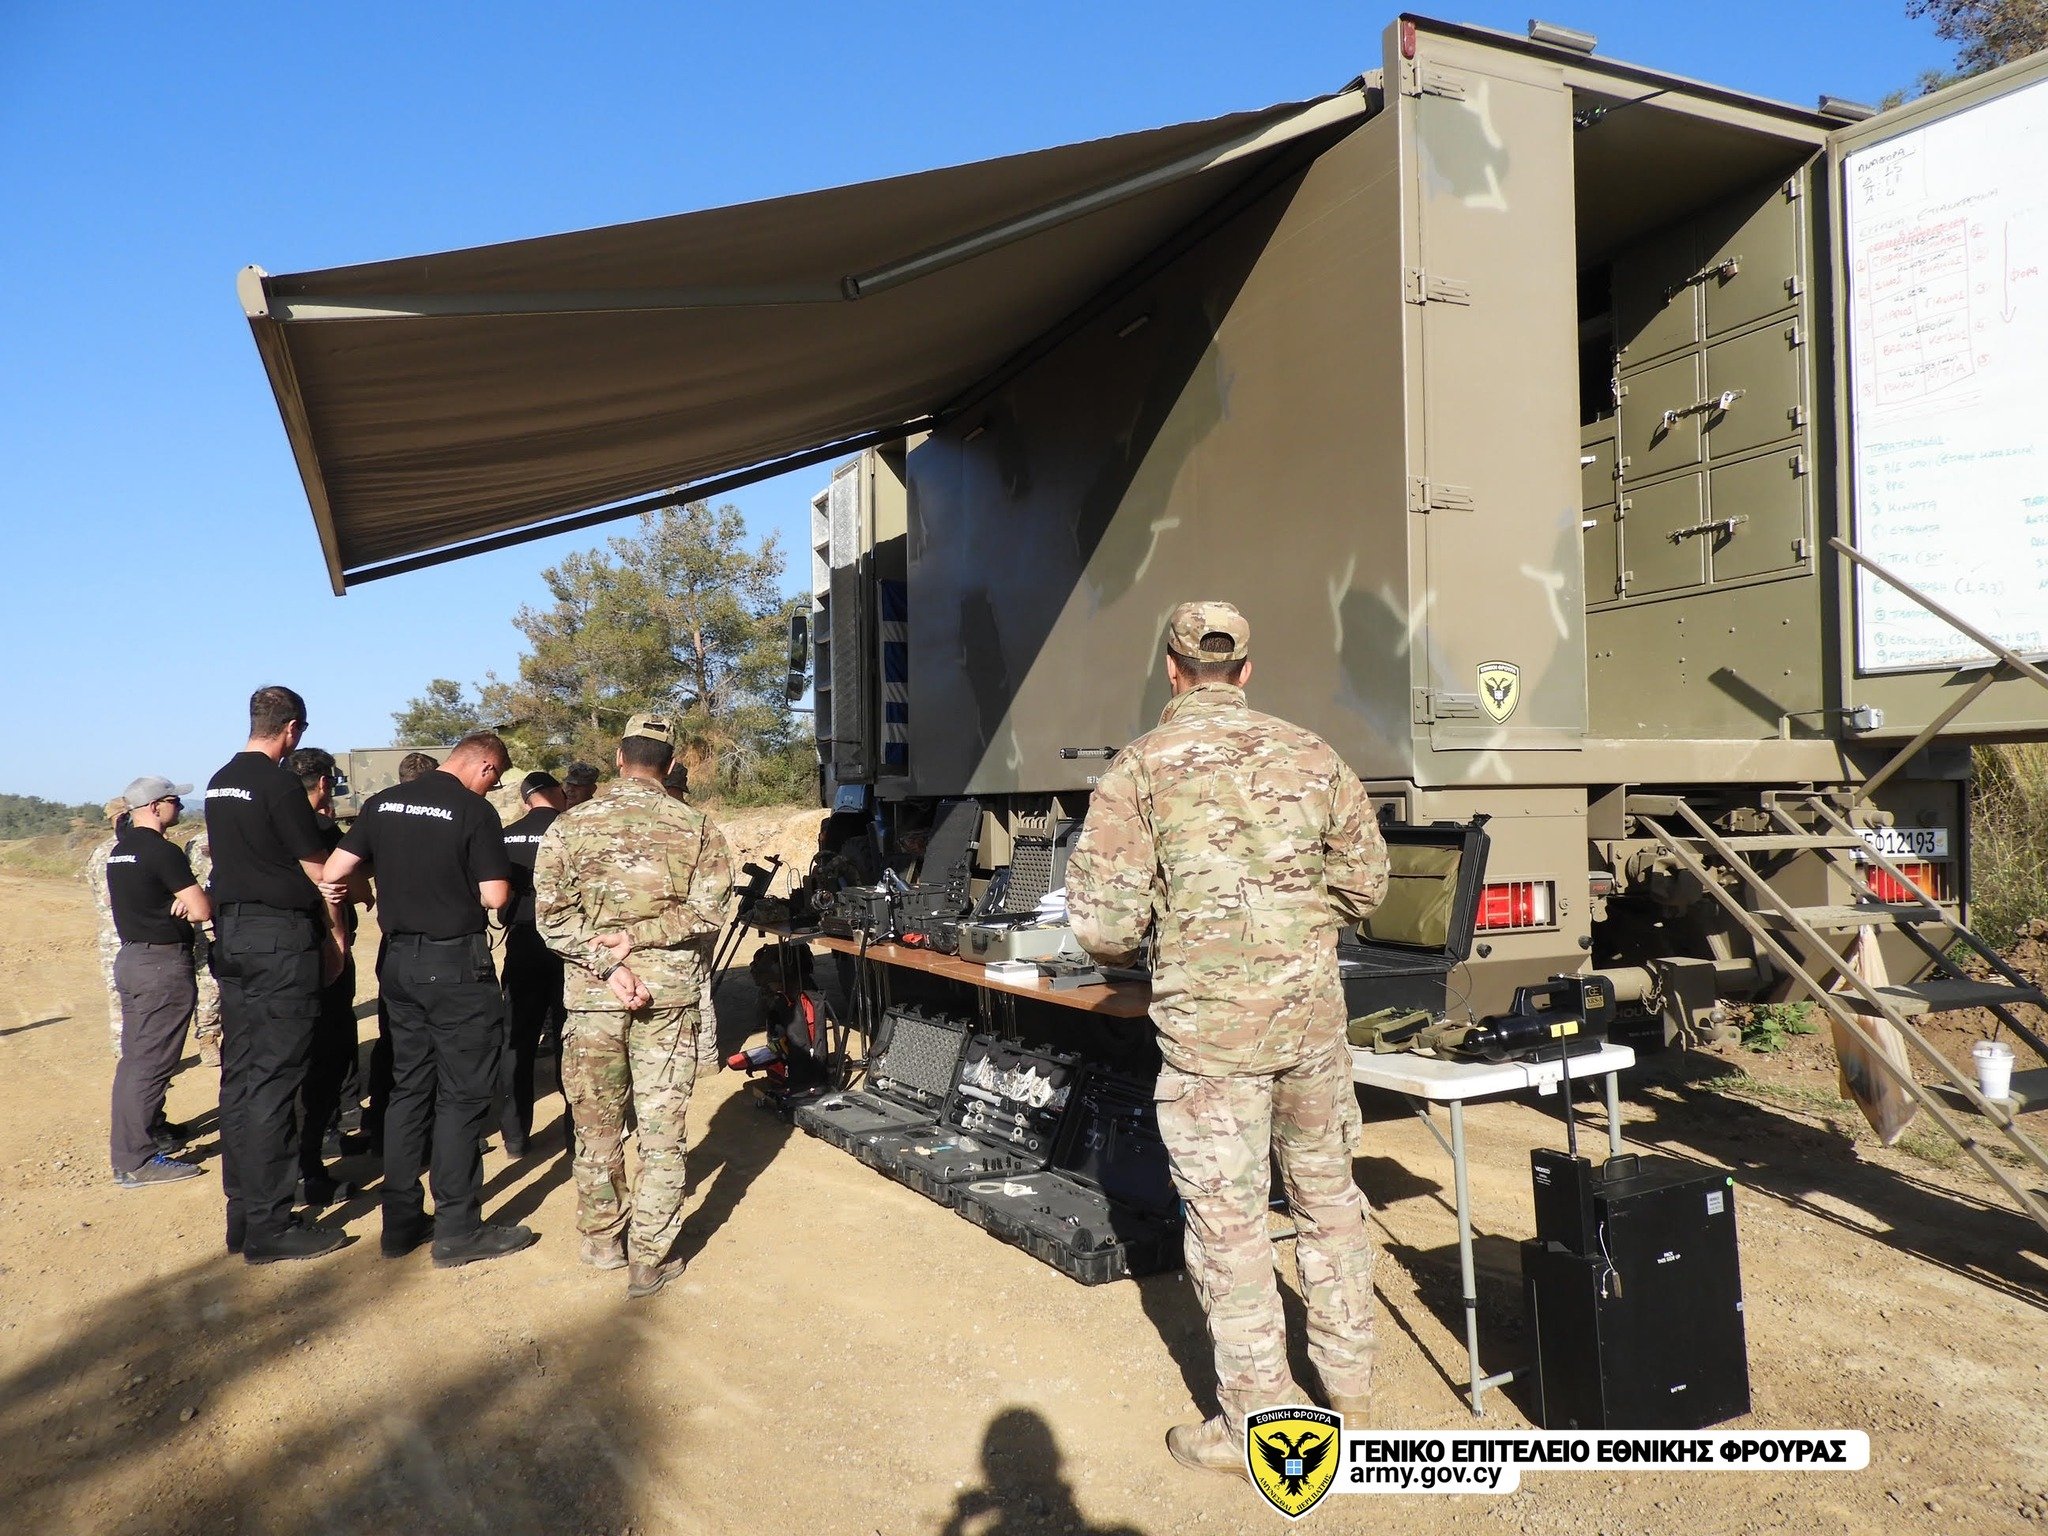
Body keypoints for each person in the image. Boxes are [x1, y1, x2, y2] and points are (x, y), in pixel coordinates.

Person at [1066, 601, 1389, 1479]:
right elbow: (1368, 887)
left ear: (1170, 670)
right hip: (1312, 1029)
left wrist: (1175, 935)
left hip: (1213, 1045)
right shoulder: (1315, 755)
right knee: (1330, 1205)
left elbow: (1100, 926)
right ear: (1245, 672)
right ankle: (1352, 1399)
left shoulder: (1138, 771)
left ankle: (1260, 1428)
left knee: (1231, 1227)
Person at [534, 713, 734, 1298]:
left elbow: (551, 920)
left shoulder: (570, 826)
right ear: (671, 765)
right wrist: (639, 943)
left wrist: (608, 963)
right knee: (661, 1130)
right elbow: (708, 913)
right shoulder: (697, 827)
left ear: (619, 759)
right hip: (667, 1001)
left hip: (594, 1002)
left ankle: (601, 1241)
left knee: (596, 1125)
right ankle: (649, 1258)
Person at [322, 731, 536, 1268]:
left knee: (407, 1090)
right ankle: (458, 1229)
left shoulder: (380, 804)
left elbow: (335, 871)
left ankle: (399, 1223)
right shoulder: (473, 812)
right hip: (454, 964)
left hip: (397, 964)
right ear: (485, 767)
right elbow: (494, 896)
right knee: (463, 1095)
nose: (495, 788)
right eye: (497, 779)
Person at [204, 684, 349, 1263]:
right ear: (291, 729)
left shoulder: (219, 780)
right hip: (278, 941)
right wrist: (336, 930)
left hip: (234, 936)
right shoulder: (280, 783)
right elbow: (317, 867)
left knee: (241, 1077)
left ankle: (242, 1214)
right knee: (275, 1080)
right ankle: (270, 1225)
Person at [105, 776, 211, 1188]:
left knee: (135, 1060)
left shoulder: (120, 852)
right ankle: (136, 1159)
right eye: (175, 802)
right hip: (162, 966)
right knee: (153, 1064)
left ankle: (135, 1144)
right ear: (154, 806)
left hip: (132, 957)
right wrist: (197, 900)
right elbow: (200, 909)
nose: (180, 809)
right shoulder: (161, 852)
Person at [288, 747, 362, 1206]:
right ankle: (308, 1171)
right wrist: (338, 942)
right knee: (323, 1061)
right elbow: (343, 884)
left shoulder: (267, 824)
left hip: (283, 957)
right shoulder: (316, 829)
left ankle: (320, 1145)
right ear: (319, 783)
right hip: (323, 953)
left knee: (307, 1063)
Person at [362, 750, 442, 1149]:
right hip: (439, 948)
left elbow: (351, 870)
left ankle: (381, 1123)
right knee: (435, 1043)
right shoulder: (447, 813)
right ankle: (426, 1130)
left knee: (392, 1036)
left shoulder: (379, 813)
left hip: (393, 945)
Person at [497, 769, 569, 1155]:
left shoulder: (506, 835)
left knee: (518, 1041)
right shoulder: (573, 828)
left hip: (523, 944)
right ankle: (577, 1131)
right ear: (556, 793)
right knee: (570, 1039)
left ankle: (515, 1136)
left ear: (526, 800)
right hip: (569, 947)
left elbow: (494, 896)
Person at [84, 797, 130, 1058]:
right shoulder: (131, 848)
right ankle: (135, 1061)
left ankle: (126, 1058)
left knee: (118, 996)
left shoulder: (100, 852)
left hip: (111, 935)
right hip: (127, 934)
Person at [184, 831, 223, 1067]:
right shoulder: (198, 843)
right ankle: (208, 1037)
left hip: (237, 921)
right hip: (207, 924)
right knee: (209, 984)